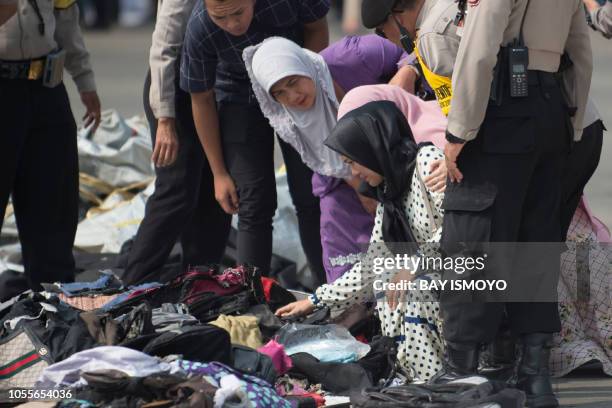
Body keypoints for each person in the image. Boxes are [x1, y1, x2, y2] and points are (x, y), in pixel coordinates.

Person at [438, 1, 592, 407]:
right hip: (550, 111)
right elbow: (581, 52)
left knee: (473, 240)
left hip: (502, 111)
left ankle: (462, 374)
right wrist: (571, 124)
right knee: (535, 243)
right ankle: (534, 378)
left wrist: (459, 130)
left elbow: (480, 48)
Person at [276, 97, 449, 381]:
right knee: (387, 280)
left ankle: (433, 382)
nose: (355, 174)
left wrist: (414, 266)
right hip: (432, 272)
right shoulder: (390, 192)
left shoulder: (428, 163)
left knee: (411, 287)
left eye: (353, 162)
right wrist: (317, 300)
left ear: (374, 148)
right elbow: (372, 265)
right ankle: (417, 378)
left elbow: (459, 229)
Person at [244, 36, 429, 283]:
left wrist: (408, 71)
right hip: (343, 176)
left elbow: (420, 49)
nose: (292, 97)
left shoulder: (354, 55)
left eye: (293, 82)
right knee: (337, 230)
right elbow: (328, 159)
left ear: (304, 66)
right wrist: (359, 184)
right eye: (279, 93)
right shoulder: (289, 119)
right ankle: (353, 305)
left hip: (407, 150)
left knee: (418, 231)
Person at [180, 0, 330, 282]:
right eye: (221, 18)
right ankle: (250, 299)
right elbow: (201, 99)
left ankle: (330, 290)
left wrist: (307, 82)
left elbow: (317, 27)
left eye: (238, 13)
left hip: (291, 86)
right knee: (252, 202)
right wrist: (219, 172)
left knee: (311, 195)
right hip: (238, 96)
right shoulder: (200, 27)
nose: (233, 25)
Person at [121, 0, 231, 286]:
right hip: (174, 89)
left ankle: (200, 283)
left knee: (215, 192)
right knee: (178, 190)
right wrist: (165, 120)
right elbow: (164, 48)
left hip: (217, 85)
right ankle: (133, 284)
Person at [0, 0, 101, 290]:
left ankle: (53, 304)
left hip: (46, 88)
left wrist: (85, 81)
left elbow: (66, 20)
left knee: (53, 204)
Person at [360, 0, 461, 115]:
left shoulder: (430, 38)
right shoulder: (445, 6)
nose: (386, 37)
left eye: (381, 31)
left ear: (397, 19)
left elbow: (460, 114)